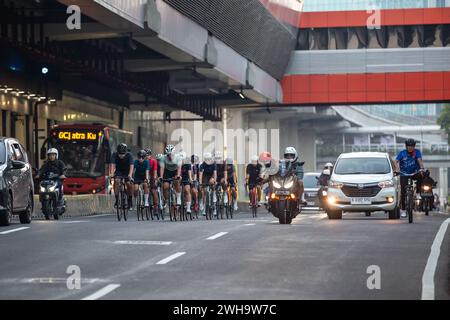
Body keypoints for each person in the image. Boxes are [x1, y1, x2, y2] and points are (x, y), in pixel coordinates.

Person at [395, 138, 425, 218]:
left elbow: (419, 161)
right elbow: (396, 161)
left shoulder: (417, 152)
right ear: (406, 146)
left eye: (412, 146)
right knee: (403, 193)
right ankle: (404, 210)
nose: (410, 147)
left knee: (420, 175)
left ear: (414, 146)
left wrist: (422, 168)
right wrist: (397, 169)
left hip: (414, 173)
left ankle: (418, 193)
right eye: (409, 146)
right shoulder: (402, 153)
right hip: (404, 174)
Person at [109, 143, 134, 209]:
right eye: (120, 154)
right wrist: (111, 174)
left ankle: (130, 200)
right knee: (116, 181)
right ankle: (117, 200)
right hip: (119, 171)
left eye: (123, 154)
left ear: (126, 152)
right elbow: (113, 164)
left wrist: (130, 175)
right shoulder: (114, 155)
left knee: (129, 183)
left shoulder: (129, 155)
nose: (121, 156)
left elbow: (131, 166)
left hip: (127, 171)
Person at [160, 144, 182, 213]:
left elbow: (179, 168)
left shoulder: (178, 157)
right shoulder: (163, 158)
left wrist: (178, 175)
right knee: (165, 186)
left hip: (175, 172)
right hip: (167, 172)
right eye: (168, 155)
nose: (170, 156)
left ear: (174, 153)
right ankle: (167, 201)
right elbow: (162, 168)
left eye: (171, 154)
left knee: (176, 181)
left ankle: (178, 197)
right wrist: (161, 176)